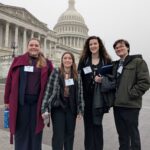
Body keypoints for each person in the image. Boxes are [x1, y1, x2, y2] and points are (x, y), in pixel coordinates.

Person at [4, 38, 53, 150]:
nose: (34, 47)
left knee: (35, 131)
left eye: (36, 45)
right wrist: (6, 100)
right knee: (21, 131)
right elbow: (9, 81)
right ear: (27, 46)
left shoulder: (47, 63)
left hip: (38, 104)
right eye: (31, 45)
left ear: (39, 47)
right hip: (20, 103)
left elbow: (53, 82)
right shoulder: (18, 60)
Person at [41, 51, 84, 150]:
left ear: (73, 61)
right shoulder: (56, 72)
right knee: (58, 135)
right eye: (65, 58)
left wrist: (80, 109)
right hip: (58, 107)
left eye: (69, 58)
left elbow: (80, 93)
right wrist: (44, 108)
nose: (67, 60)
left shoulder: (77, 74)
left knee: (70, 135)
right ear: (62, 60)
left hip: (71, 108)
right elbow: (48, 90)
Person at [112, 39, 150, 150]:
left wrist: (131, 94)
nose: (119, 49)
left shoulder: (138, 62)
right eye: (116, 48)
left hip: (131, 106)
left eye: (121, 46)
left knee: (133, 135)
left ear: (127, 47)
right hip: (117, 105)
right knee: (122, 136)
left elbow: (145, 82)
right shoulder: (116, 65)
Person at [78, 36, 112, 150]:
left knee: (97, 124)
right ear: (88, 46)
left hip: (100, 97)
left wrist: (102, 80)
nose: (93, 46)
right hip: (87, 97)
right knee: (88, 126)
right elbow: (79, 78)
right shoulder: (84, 60)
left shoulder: (106, 60)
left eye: (95, 43)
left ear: (99, 45)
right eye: (90, 44)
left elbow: (111, 77)